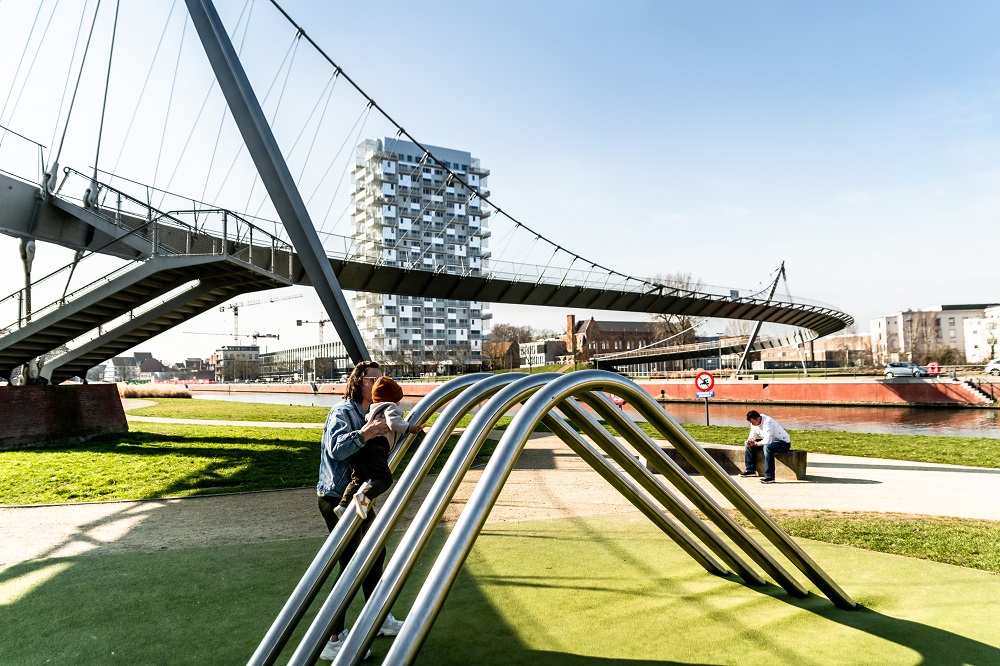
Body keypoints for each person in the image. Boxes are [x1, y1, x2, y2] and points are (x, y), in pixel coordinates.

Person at [317, 361, 404, 661]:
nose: (379, 382)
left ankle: (376, 619)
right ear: (358, 382)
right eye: (373, 378)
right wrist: (366, 432)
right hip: (336, 496)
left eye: (382, 377)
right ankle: (332, 638)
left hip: (360, 496)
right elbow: (336, 449)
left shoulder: (376, 410)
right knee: (351, 562)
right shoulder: (343, 412)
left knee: (375, 553)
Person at [335, 376, 422, 519]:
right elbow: (393, 423)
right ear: (393, 398)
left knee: (358, 479)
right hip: (375, 449)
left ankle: (343, 506)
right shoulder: (391, 407)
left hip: (362, 447)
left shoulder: (373, 408)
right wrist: (409, 427)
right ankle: (365, 495)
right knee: (385, 479)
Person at [739, 409, 791, 484]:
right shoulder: (754, 423)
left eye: (753, 422)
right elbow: (752, 435)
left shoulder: (767, 422)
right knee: (748, 445)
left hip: (783, 443)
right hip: (771, 441)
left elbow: (767, 441)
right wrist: (750, 441)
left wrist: (755, 444)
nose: (753, 425)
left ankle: (770, 477)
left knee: (767, 447)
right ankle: (750, 470)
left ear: (758, 418)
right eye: (751, 423)